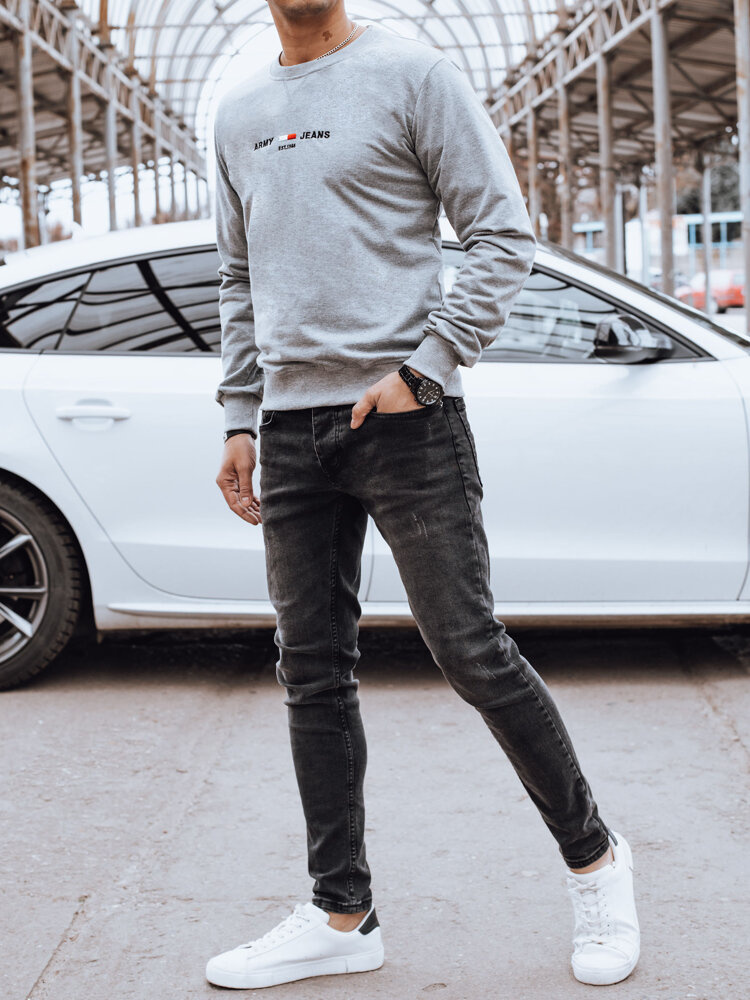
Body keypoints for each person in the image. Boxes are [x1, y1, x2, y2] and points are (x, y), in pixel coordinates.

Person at [208, 1, 640, 990]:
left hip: (406, 418)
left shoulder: (414, 77)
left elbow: (502, 233)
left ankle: (597, 862)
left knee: (471, 651)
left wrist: (427, 367)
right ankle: (342, 914)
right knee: (312, 671)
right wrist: (239, 414)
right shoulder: (238, 112)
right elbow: (237, 277)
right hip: (290, 426)